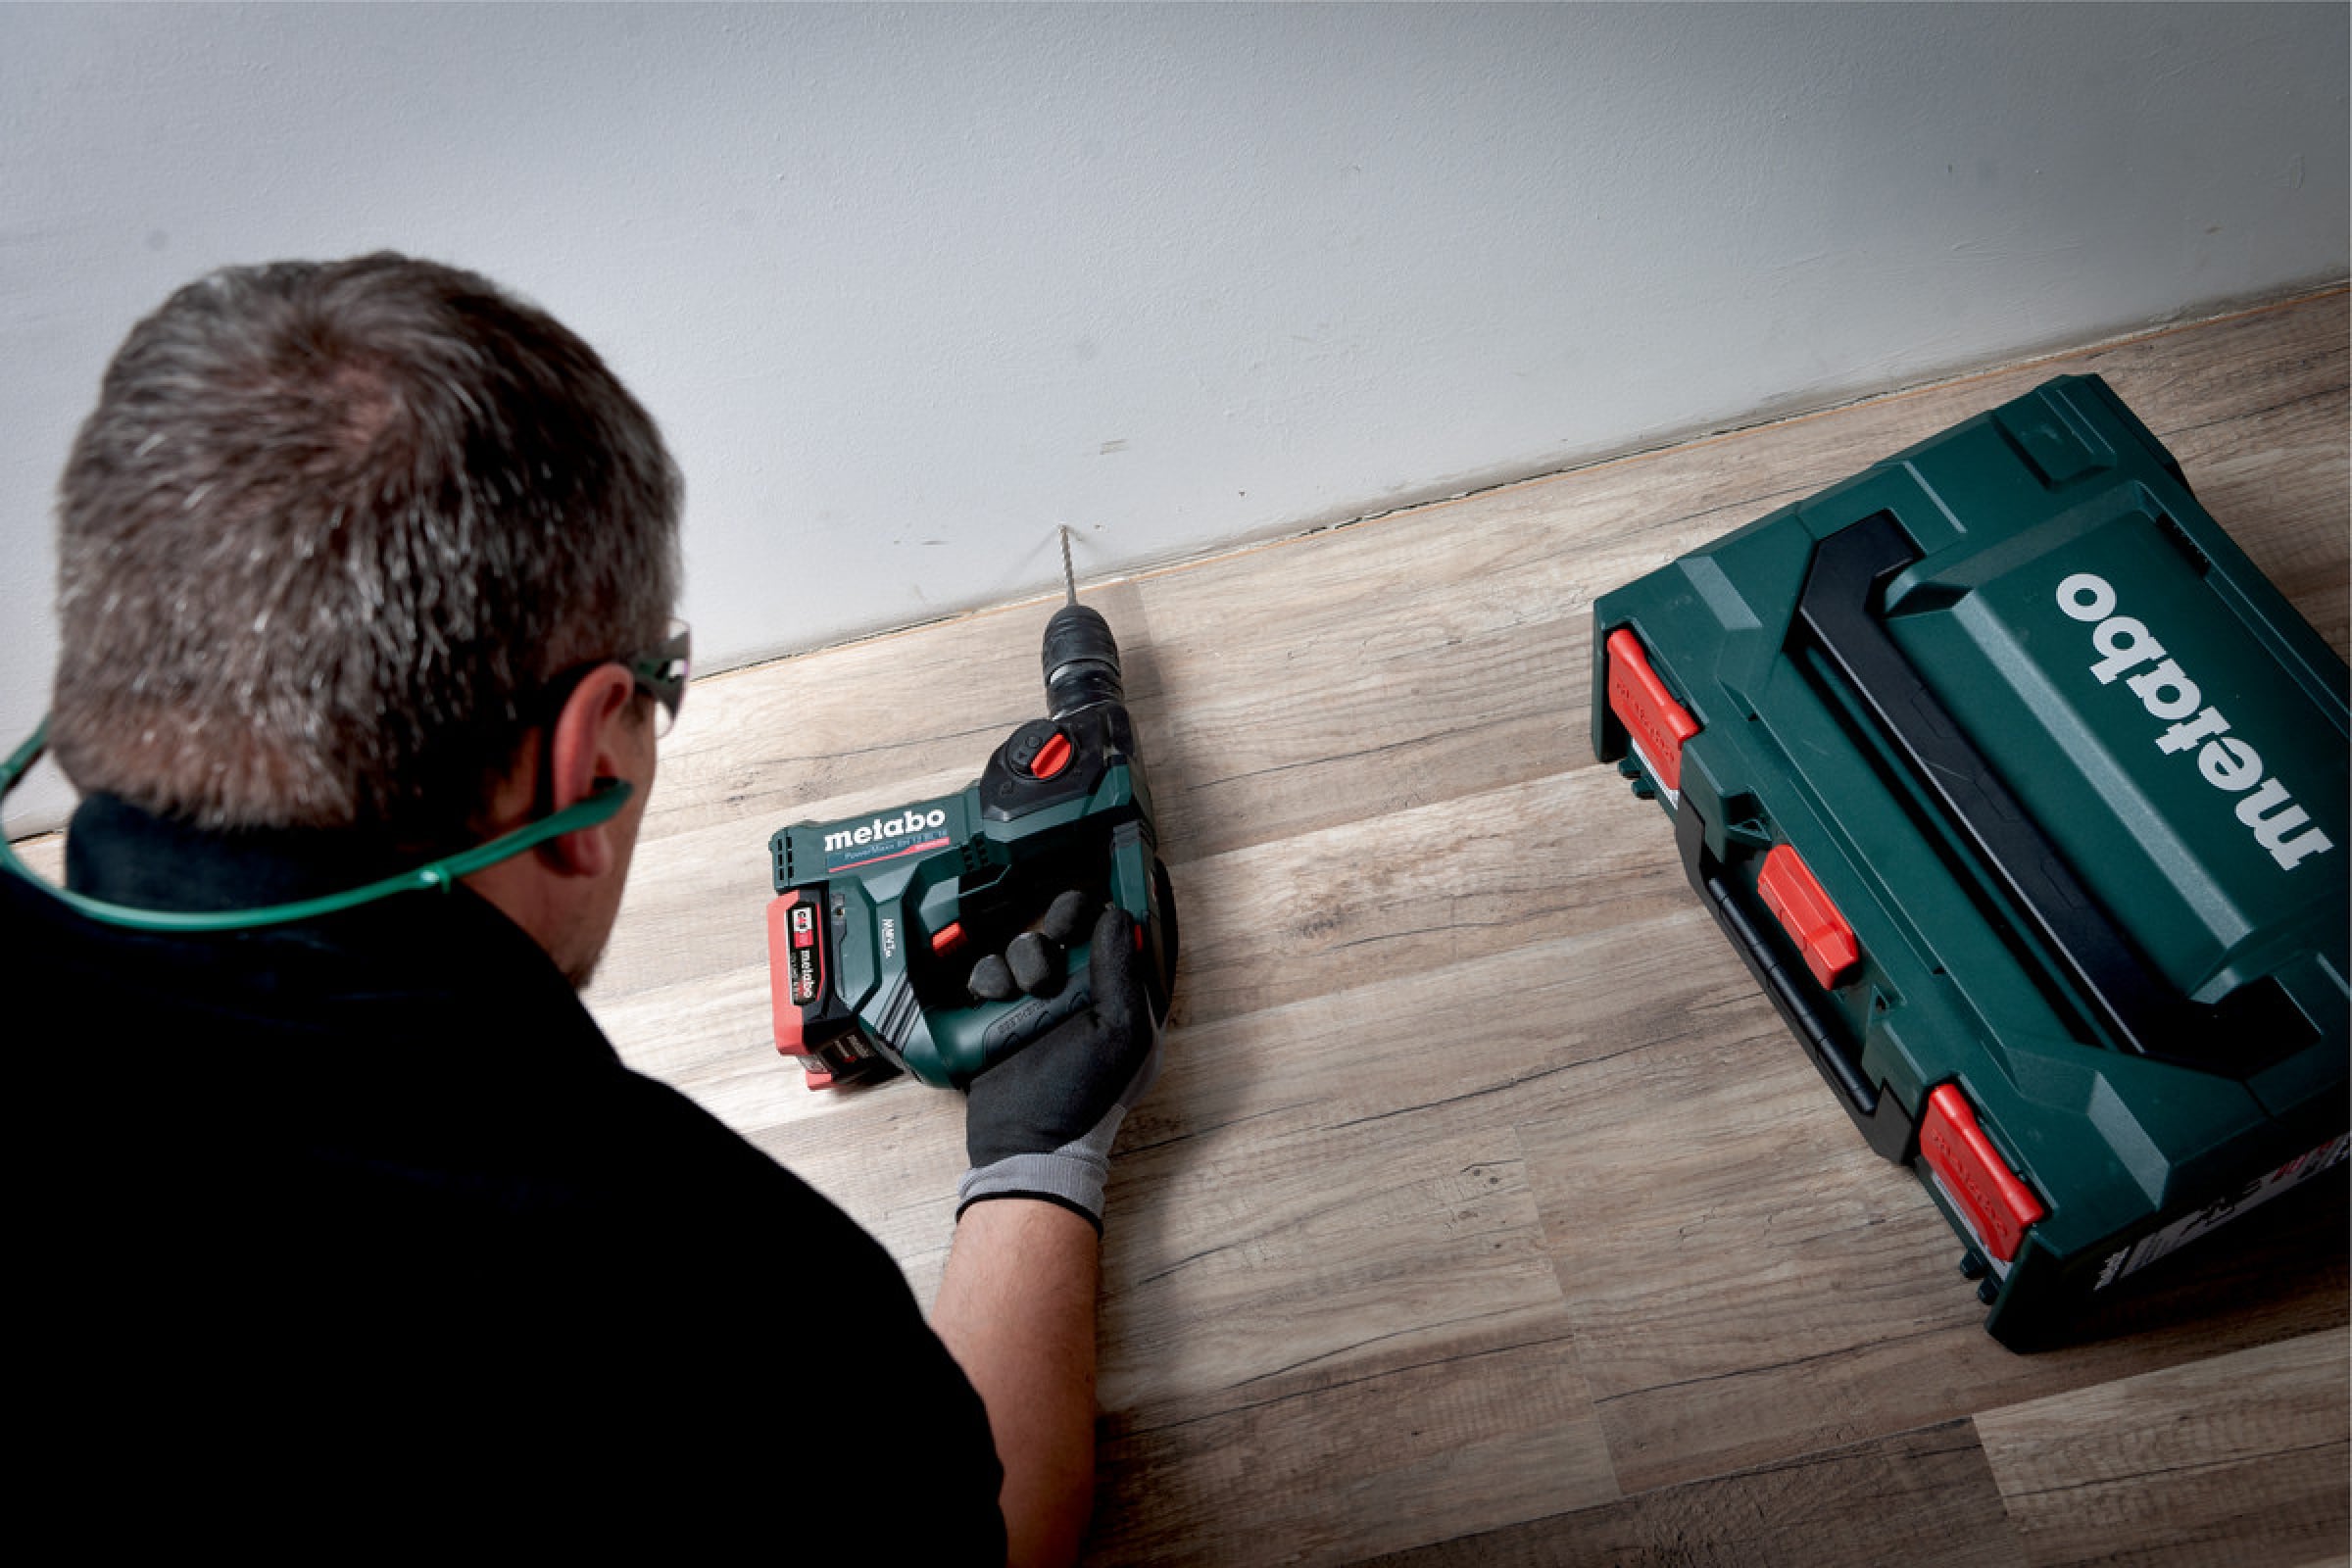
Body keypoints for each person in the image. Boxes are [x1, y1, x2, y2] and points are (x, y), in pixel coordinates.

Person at [7, 254, 1161, 1564]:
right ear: (589, 755)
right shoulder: (709, 1311)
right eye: (659, 681)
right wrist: (1037, 1157)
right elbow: (989, 1538)